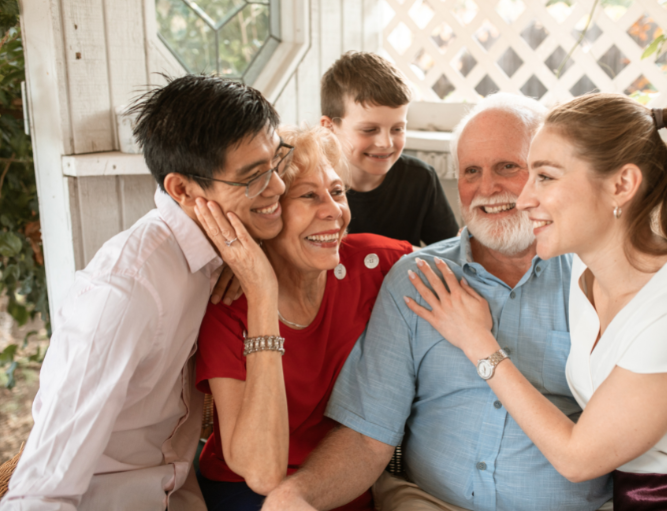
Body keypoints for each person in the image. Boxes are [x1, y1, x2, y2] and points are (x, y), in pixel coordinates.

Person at [261, 93, 667, 511]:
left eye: (518, 169)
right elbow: (369, 437)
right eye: (471, 172)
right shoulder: (420, 277)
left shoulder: (608, 278)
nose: (496, 190)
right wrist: (299, 495)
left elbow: (583, 453)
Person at [0, 75, 288, 511]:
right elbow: (41, 491)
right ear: (182, 190)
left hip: (181, 494)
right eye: (254, 178)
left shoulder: (222, 251)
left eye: (275, 162)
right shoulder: (124, 291)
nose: (278, 187)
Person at [193, 125, 414, 511]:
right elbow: (262, 473)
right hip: (247, 494)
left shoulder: (372, 264)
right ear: (267, 213)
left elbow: (463, 258)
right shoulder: (228, 306)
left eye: (338, 191)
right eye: (309, 196)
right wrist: (263, 294)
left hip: (342, 483)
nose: (334, 211)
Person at [320, 51, 459, 246]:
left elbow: (450, 253)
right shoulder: (311, 184)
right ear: (329, 128)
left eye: (397, 129)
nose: (386, 143)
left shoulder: (421, 180)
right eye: (369, 129)